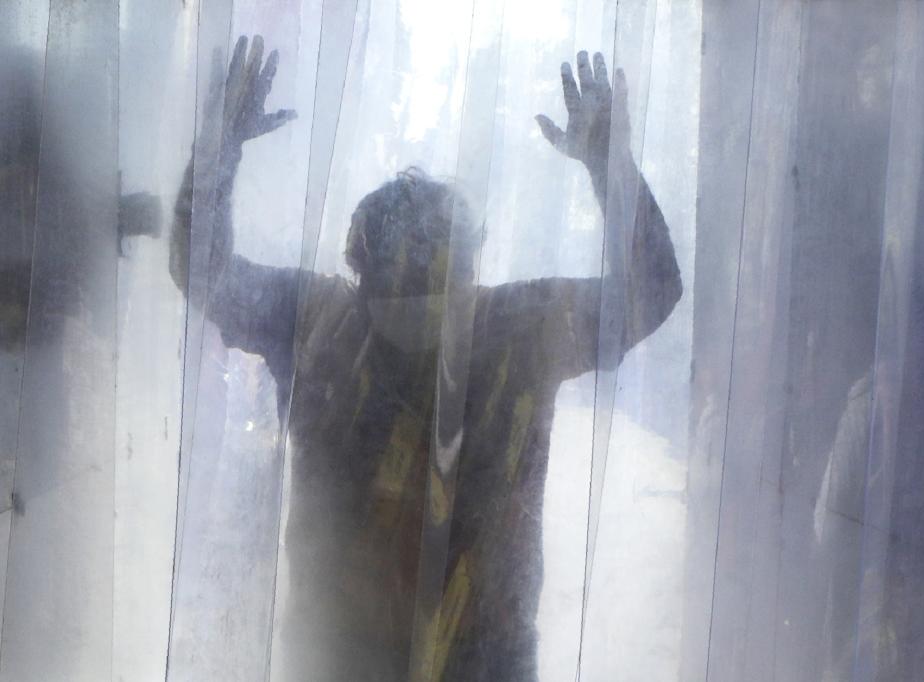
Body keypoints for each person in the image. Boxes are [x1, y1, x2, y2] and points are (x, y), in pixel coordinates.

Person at [171, 35, 682, 681]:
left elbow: (204, 272)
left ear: (354, 262)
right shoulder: (511, 327)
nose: (415, 287)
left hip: (364, 652)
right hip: (447, 655)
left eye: (428, 272)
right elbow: (652, 290)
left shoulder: (323, 320)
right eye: (403, 273)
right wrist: (610, 167)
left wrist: (220, 148)